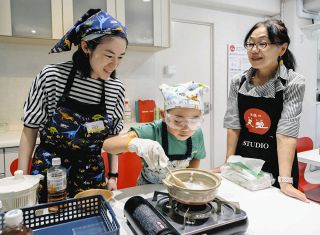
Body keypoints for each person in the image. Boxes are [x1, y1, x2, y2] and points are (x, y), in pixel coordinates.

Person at [18, 9, 128, 203]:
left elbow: (112, 137)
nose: (114, 65)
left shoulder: (115, 89)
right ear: (86, 47)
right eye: (109, 55)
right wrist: (21, 179)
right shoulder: (52, 77)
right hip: (50, 172)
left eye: (120, 57)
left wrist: (113, 175)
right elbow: (30, 130)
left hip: (91, 175)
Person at [221, 19, 308, 202]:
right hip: (243, 164)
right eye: (250, 43)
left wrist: (285, 182)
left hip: (277, 164)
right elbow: (233, 125)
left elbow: (286, 132)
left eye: (262, 43)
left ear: (282, 49)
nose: (254, 49)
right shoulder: (238, 82)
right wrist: (228, 164)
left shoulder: (293, 82)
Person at [103, 81, 208, 186]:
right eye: (178, 121)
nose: (186, 128)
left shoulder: (196, 134)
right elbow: (108, 145)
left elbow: (196, 158)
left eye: (194, 121)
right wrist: (134, 143)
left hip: (177, 187)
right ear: (164, 116)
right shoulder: (153, 131)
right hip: (148, 187)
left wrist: (189, 180)